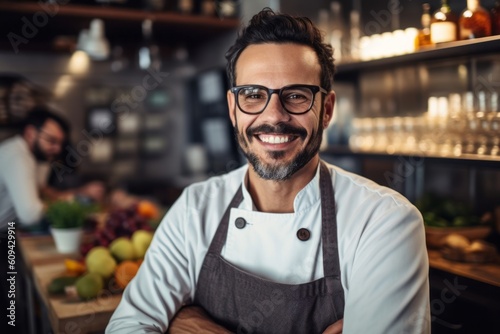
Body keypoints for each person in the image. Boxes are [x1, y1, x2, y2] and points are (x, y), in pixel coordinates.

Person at [106, 8, 430, 334]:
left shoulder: (384, 222)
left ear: (327, 110)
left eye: (296, 95)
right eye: (253, 95)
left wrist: (194, 327)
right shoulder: (196, 208)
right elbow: (127, 327)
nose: (274, 116)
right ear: (233, 110)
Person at [0, 106, 105, 230]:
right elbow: (31, 214)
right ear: (30, 134)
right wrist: (75, 205)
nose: (58, 149)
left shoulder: (28, 155)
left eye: (60, 143)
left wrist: (81, 193)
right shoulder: (18, 157)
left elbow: (42, 191)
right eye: (51, 141)